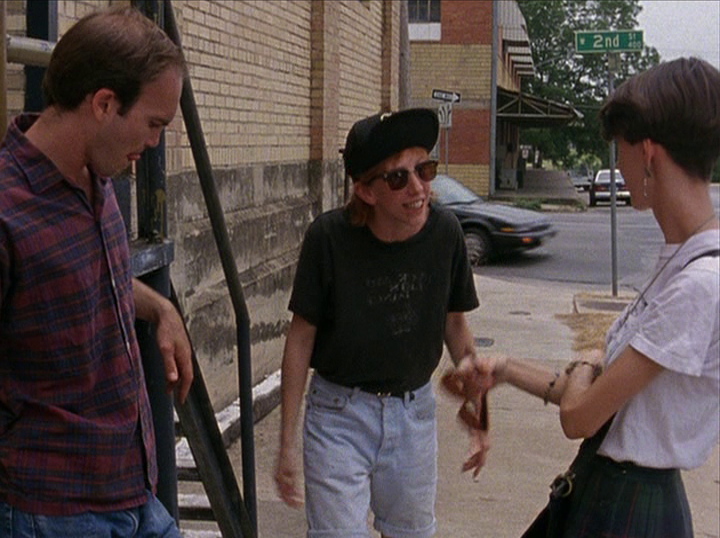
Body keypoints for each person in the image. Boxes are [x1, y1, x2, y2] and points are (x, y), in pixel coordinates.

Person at [444, 57, 720, 537]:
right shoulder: (679, 261)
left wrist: (591, 362)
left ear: (649, 154)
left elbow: (579, 415)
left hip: (633, 510)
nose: (618, 166)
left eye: (621, 150)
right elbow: (597, 395)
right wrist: (504, 370)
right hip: (607, 489)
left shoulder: (699, 284)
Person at [0, 7, 193, 536]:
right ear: (104, 103)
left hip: (133, 490)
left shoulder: (97, 175)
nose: (154, 143)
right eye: (154, 124)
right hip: (53, 509)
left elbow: (86, 277)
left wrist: (160, 307)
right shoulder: (8, 210)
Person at [274, 108, 487, 537]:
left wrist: (480, 416)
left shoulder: (446, 233)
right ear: (366, 192)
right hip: (339, 415)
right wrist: (286, 445)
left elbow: (457, 329)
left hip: (413, 414)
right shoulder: (328, 239)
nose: (418, 188)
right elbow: (300, 341)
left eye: (424, 170)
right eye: (397, 178)